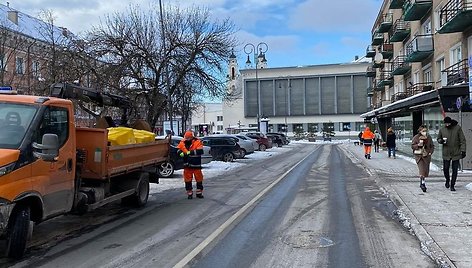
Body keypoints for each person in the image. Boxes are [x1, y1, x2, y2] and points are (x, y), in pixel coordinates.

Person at [437, 116, 466, 191]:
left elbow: (462, 140)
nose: (447, 125)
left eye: (448, 123)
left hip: (456, 152)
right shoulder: (442, 129)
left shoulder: (457, 128)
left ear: (451, 122)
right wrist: (441, 141)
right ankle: (447, 180)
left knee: (455, 170)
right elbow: (438, 138)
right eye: (445, 124)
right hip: (446, 152)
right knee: (446, 168)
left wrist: (463, 151)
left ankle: (452, 184)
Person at [177, 130, 205, 199]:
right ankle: (189, 193)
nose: (187, 140)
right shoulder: (182, 142)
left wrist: (190, 152)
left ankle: (199, 193)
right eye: (186, 138)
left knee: (199, 179)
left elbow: (200, 151)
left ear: (191, 138)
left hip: (196, 165)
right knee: (187, 180)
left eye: (188, 138)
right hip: (187, 165)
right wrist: (180, 152)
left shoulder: (197, 142)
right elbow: (178, 149)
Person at [411, 125, 434, 192]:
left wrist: (430, 152)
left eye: (425, 131)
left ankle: (422, 181)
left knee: (425, 171)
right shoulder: (416, 137)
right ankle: (423, 184)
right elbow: (412, 146)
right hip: (419, 156)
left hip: (426, 155)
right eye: (423, 131)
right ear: (420, 131)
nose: (424, 132)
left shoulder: (429, 137)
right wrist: (418, 145)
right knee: (422, 170)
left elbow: (432, 146)